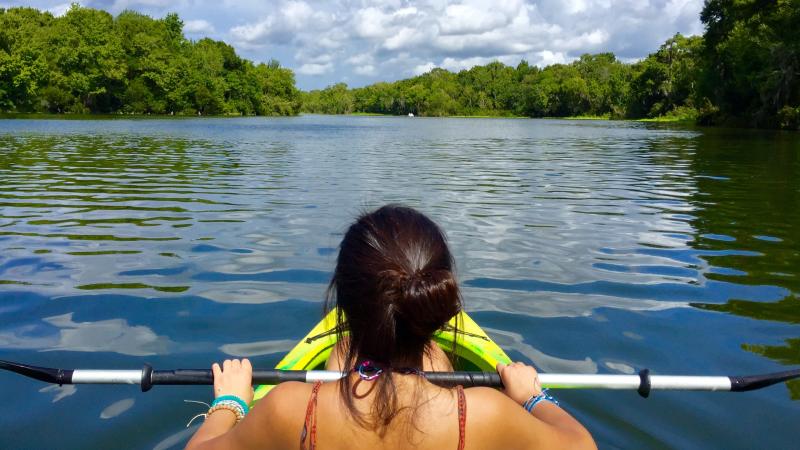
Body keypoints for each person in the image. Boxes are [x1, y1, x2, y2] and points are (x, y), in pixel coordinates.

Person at [186, 205, 596, 449]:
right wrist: (531, 397)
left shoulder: (289, 408)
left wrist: (230, 403)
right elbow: (583, 446)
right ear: (436, 302)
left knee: (342, 360)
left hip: (320, 407)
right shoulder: (488, 414)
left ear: (343, 300)